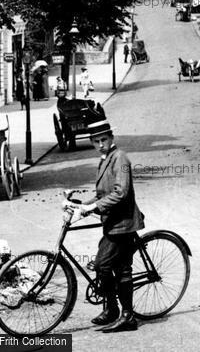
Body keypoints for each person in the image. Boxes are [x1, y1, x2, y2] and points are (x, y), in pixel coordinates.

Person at [65, 120, 144, 333]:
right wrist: (81, 205)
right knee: (107, 266)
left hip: (123, 224)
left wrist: (93, 209)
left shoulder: (120, 158)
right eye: (96, 141)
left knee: (108, 266)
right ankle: (111, 310)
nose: (101, 144)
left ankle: (127, 316)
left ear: (111, 138)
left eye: (104, 140)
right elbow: (103, 194)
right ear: (92, 142)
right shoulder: (106, 158)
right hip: (112, 223)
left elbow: (120, 193)